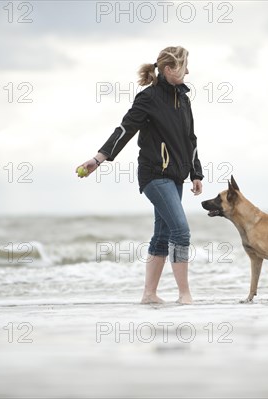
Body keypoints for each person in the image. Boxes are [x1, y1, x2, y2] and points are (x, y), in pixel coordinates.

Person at [76, 46, 204, 305]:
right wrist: (99, 158)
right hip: (154, 175)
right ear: (169, 70)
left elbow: (190, 139)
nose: (188, 71)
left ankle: (149, 294)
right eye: (184, 66)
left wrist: (195, 173)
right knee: (181, 231)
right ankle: (185, 295)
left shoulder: (184, 99)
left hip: (176, 176)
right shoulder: (149, 98)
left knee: (163, 235)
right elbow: (125, 129)